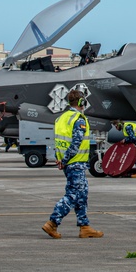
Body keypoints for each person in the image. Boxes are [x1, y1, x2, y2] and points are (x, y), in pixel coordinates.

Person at [42, 90, 103, 239]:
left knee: (82, 194)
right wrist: (64, 160)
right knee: (74, 194)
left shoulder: (61, 118)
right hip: (75, 162)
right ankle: (52, 222)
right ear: (82, 103)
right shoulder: (78, 119)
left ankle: (84, 226)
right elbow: (76, 143)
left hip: (69, 163)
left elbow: (58, 141)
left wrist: (59, 158)